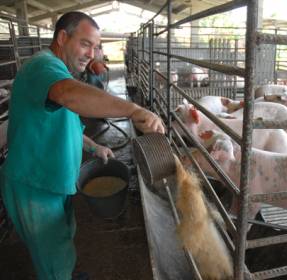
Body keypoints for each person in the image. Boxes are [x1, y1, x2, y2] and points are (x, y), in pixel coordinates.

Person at [0, 11, 164, 280]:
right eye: (86, 44)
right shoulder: (43, 66)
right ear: (63, 37)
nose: (92, 53)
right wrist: (133, 110)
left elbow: (64, 121)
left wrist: (92, 147)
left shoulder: (59, 70)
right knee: (52, 255)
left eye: (96, 46)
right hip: (35, 184)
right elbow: (69, 96)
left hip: (53, 179)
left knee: (62, 239)